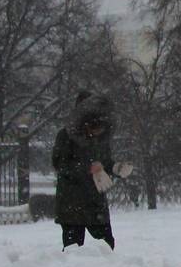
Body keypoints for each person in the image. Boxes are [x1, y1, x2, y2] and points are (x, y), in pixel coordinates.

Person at [53, 93, 131, 248]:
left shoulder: (101, 138)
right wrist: (88, 168)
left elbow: (105, 162)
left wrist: (116, 168)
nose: (98, 132)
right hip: (72, 203)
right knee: (73, 248)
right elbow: (60, 165)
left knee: (107, 245)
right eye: (95, 127)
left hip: (95, 202)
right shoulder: (65, 136)